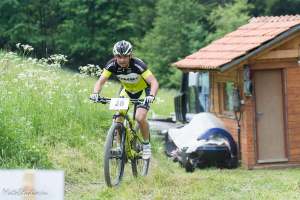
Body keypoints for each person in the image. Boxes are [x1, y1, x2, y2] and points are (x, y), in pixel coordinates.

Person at [90, 40, 159, 159]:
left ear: (130, 55)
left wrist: (151, 96)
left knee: (139, 117)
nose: (122, 60)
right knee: (118, 117)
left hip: (143, 91)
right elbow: (101, 81)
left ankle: (146, 145)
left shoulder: (138, 65)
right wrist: (95, 93)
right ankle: (118, 147)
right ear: (114, 56)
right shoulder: (111, 65)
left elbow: (153, 82)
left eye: (125, 57)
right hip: (127, 91)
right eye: (119, 57)